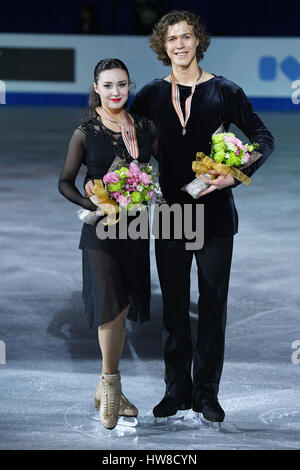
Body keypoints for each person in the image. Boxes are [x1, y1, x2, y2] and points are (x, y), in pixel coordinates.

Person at [128, 10, 275, 423]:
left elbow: (264, 138)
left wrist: (236, 175)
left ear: (198, 42)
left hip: (214, 216)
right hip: (173, 213)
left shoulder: (225, 90)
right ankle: (176, 390)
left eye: (187, 37)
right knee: (174, 306)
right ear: (163, 45)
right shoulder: (152, 95)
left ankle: (207, 392)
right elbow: (126, 137)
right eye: (172, 38)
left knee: (212, 305)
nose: (180, 44)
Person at [58, 58, 157, 430]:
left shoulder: (145, 128)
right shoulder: (87, 131)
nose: (117, 92)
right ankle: (112, 385)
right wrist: (93, 203)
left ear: (130, 87)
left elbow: (169, 165)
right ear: (96, 88)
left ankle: (103, 386)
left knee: (125, 300)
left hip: (134, 230)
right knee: (110, 304)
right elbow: (65, 182)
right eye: (109, 85)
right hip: (99, 231)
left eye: (123, 85)